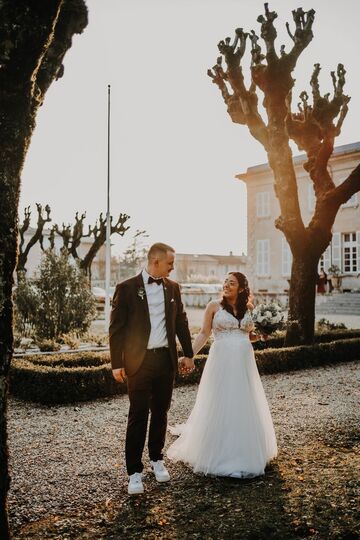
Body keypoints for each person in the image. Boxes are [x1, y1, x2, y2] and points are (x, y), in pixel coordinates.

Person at [167, 272, 277, 478]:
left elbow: (248, 335)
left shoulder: (250, 309)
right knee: (221, 400)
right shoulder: (213, 306)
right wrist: (189, 355)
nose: (226, 285)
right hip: (222, 360)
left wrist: (261, 334)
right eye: (225, 282)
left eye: (232, 283)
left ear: (242, 289)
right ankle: (218, 452)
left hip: (244, 361)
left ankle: (245, 451)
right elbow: (204, 333)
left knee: (244, 400)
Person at [109, 242, 194, 495]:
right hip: (138, 361)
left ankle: (157, 459)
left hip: (165, 361)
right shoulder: (126, 288)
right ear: (156, 261)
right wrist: (116, 363)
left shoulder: (173, 288)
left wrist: (188, 353)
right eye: (170, 263)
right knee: (138, 414)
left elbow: (181, 321)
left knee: (161, 412)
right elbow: (116, 329)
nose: (173, 267)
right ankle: (134, 472)